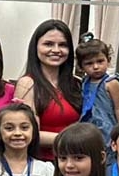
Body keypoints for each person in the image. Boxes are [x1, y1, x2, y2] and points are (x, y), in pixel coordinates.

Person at [14, 19, 82, 161]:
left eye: (62, 45)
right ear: (35, 47)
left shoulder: (77, 83)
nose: (56, 50)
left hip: (76, 161)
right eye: (48, 44)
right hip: (43, 163)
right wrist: (74, 139)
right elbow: (28, 134)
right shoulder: (27, 84)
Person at [75, 37, 119, 145]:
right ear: (81, 67)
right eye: (89, 63)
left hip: (108, 130)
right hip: (88, 130)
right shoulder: (84, 82)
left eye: (100, 61)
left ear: (108, 60)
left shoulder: (111, 83)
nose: (96, 67)